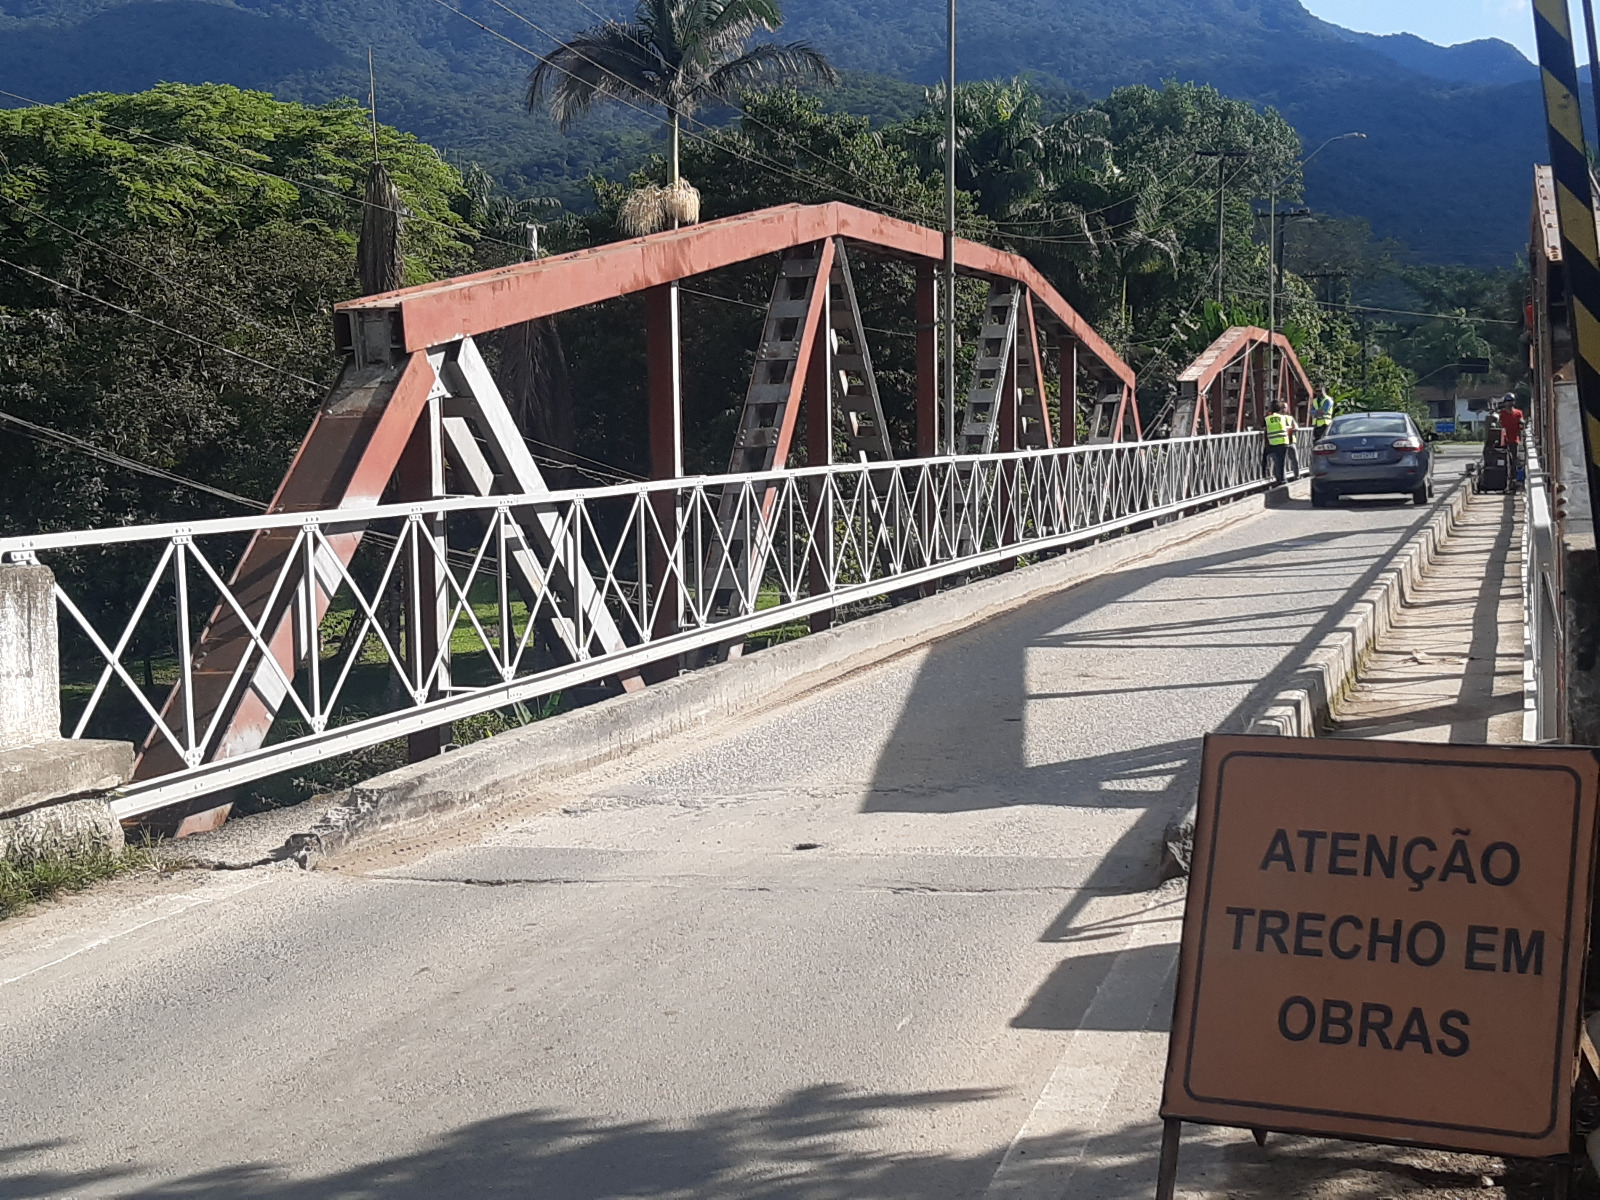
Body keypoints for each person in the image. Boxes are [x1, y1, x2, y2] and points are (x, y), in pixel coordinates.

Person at [1264, 401, 1295, 485]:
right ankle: (1282, 480)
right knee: (1281, 463)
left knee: (1270, 460)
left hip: (1273, 442)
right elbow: (1287, 427)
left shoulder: (1267, 418)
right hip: (1284, 442)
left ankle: (1266, 476)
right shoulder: (1283, 418)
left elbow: (1263, 427)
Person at [1499, 393, 1524, 484]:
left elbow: (1521, 426)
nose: (1509, 403)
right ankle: (1504, 478)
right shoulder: (1501, 413)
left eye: (1511, 401)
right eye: (1508, 401)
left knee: (1514, 460)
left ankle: (1514, 478)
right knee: (1503, 460)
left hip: (1514, 440)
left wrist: (1522, 424)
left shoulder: (1518, 413)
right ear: (1505, 403)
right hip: (1503, 440)